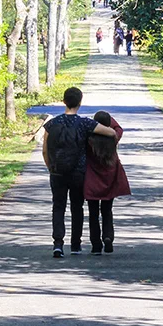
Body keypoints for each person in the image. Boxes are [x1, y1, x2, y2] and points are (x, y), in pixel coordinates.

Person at [42, 87, 117, 258]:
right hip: (78, 173)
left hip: (57, 172)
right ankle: (75, 244)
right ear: (80, 103)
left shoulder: (51, 124)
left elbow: (45, 150)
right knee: (77, 207)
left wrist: (50, 167)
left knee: (58, 207)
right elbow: (111, 132)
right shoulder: (85, 123)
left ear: (64, 101)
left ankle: (58, 244)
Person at [85, 111, 130, 254]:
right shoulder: (113, 138)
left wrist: (92, 124)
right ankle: (108, 236)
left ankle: (96, 245)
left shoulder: (88, 140)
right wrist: (109, 121)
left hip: (92, 180)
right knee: (107, 210)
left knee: (93, 213)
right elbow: (118, 128)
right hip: (110, 179)